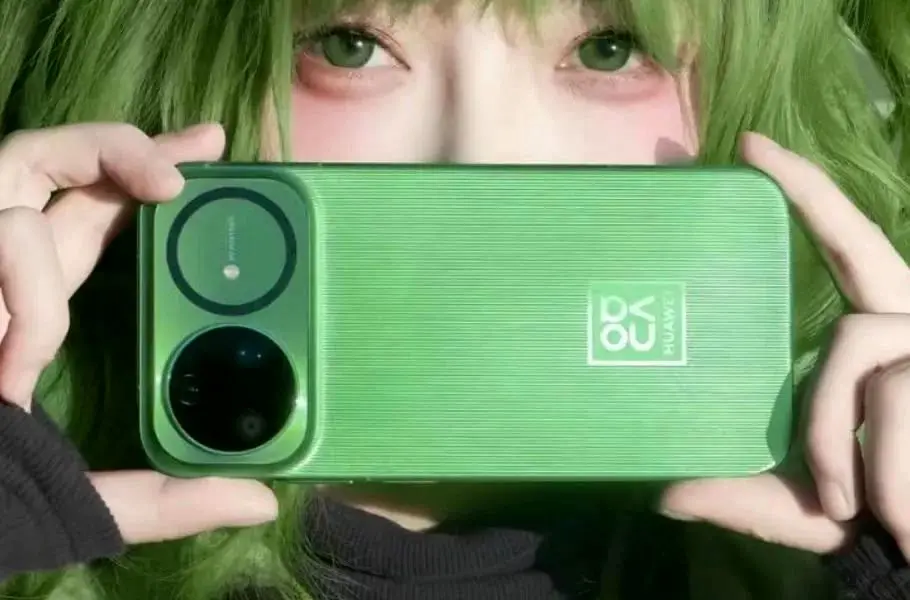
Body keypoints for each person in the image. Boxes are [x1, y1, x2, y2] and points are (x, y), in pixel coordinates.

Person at [0, 0, 908, 598]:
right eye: (350, 44)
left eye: (609, 47)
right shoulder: (35, 509)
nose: (481, 157)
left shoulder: (824, 555)